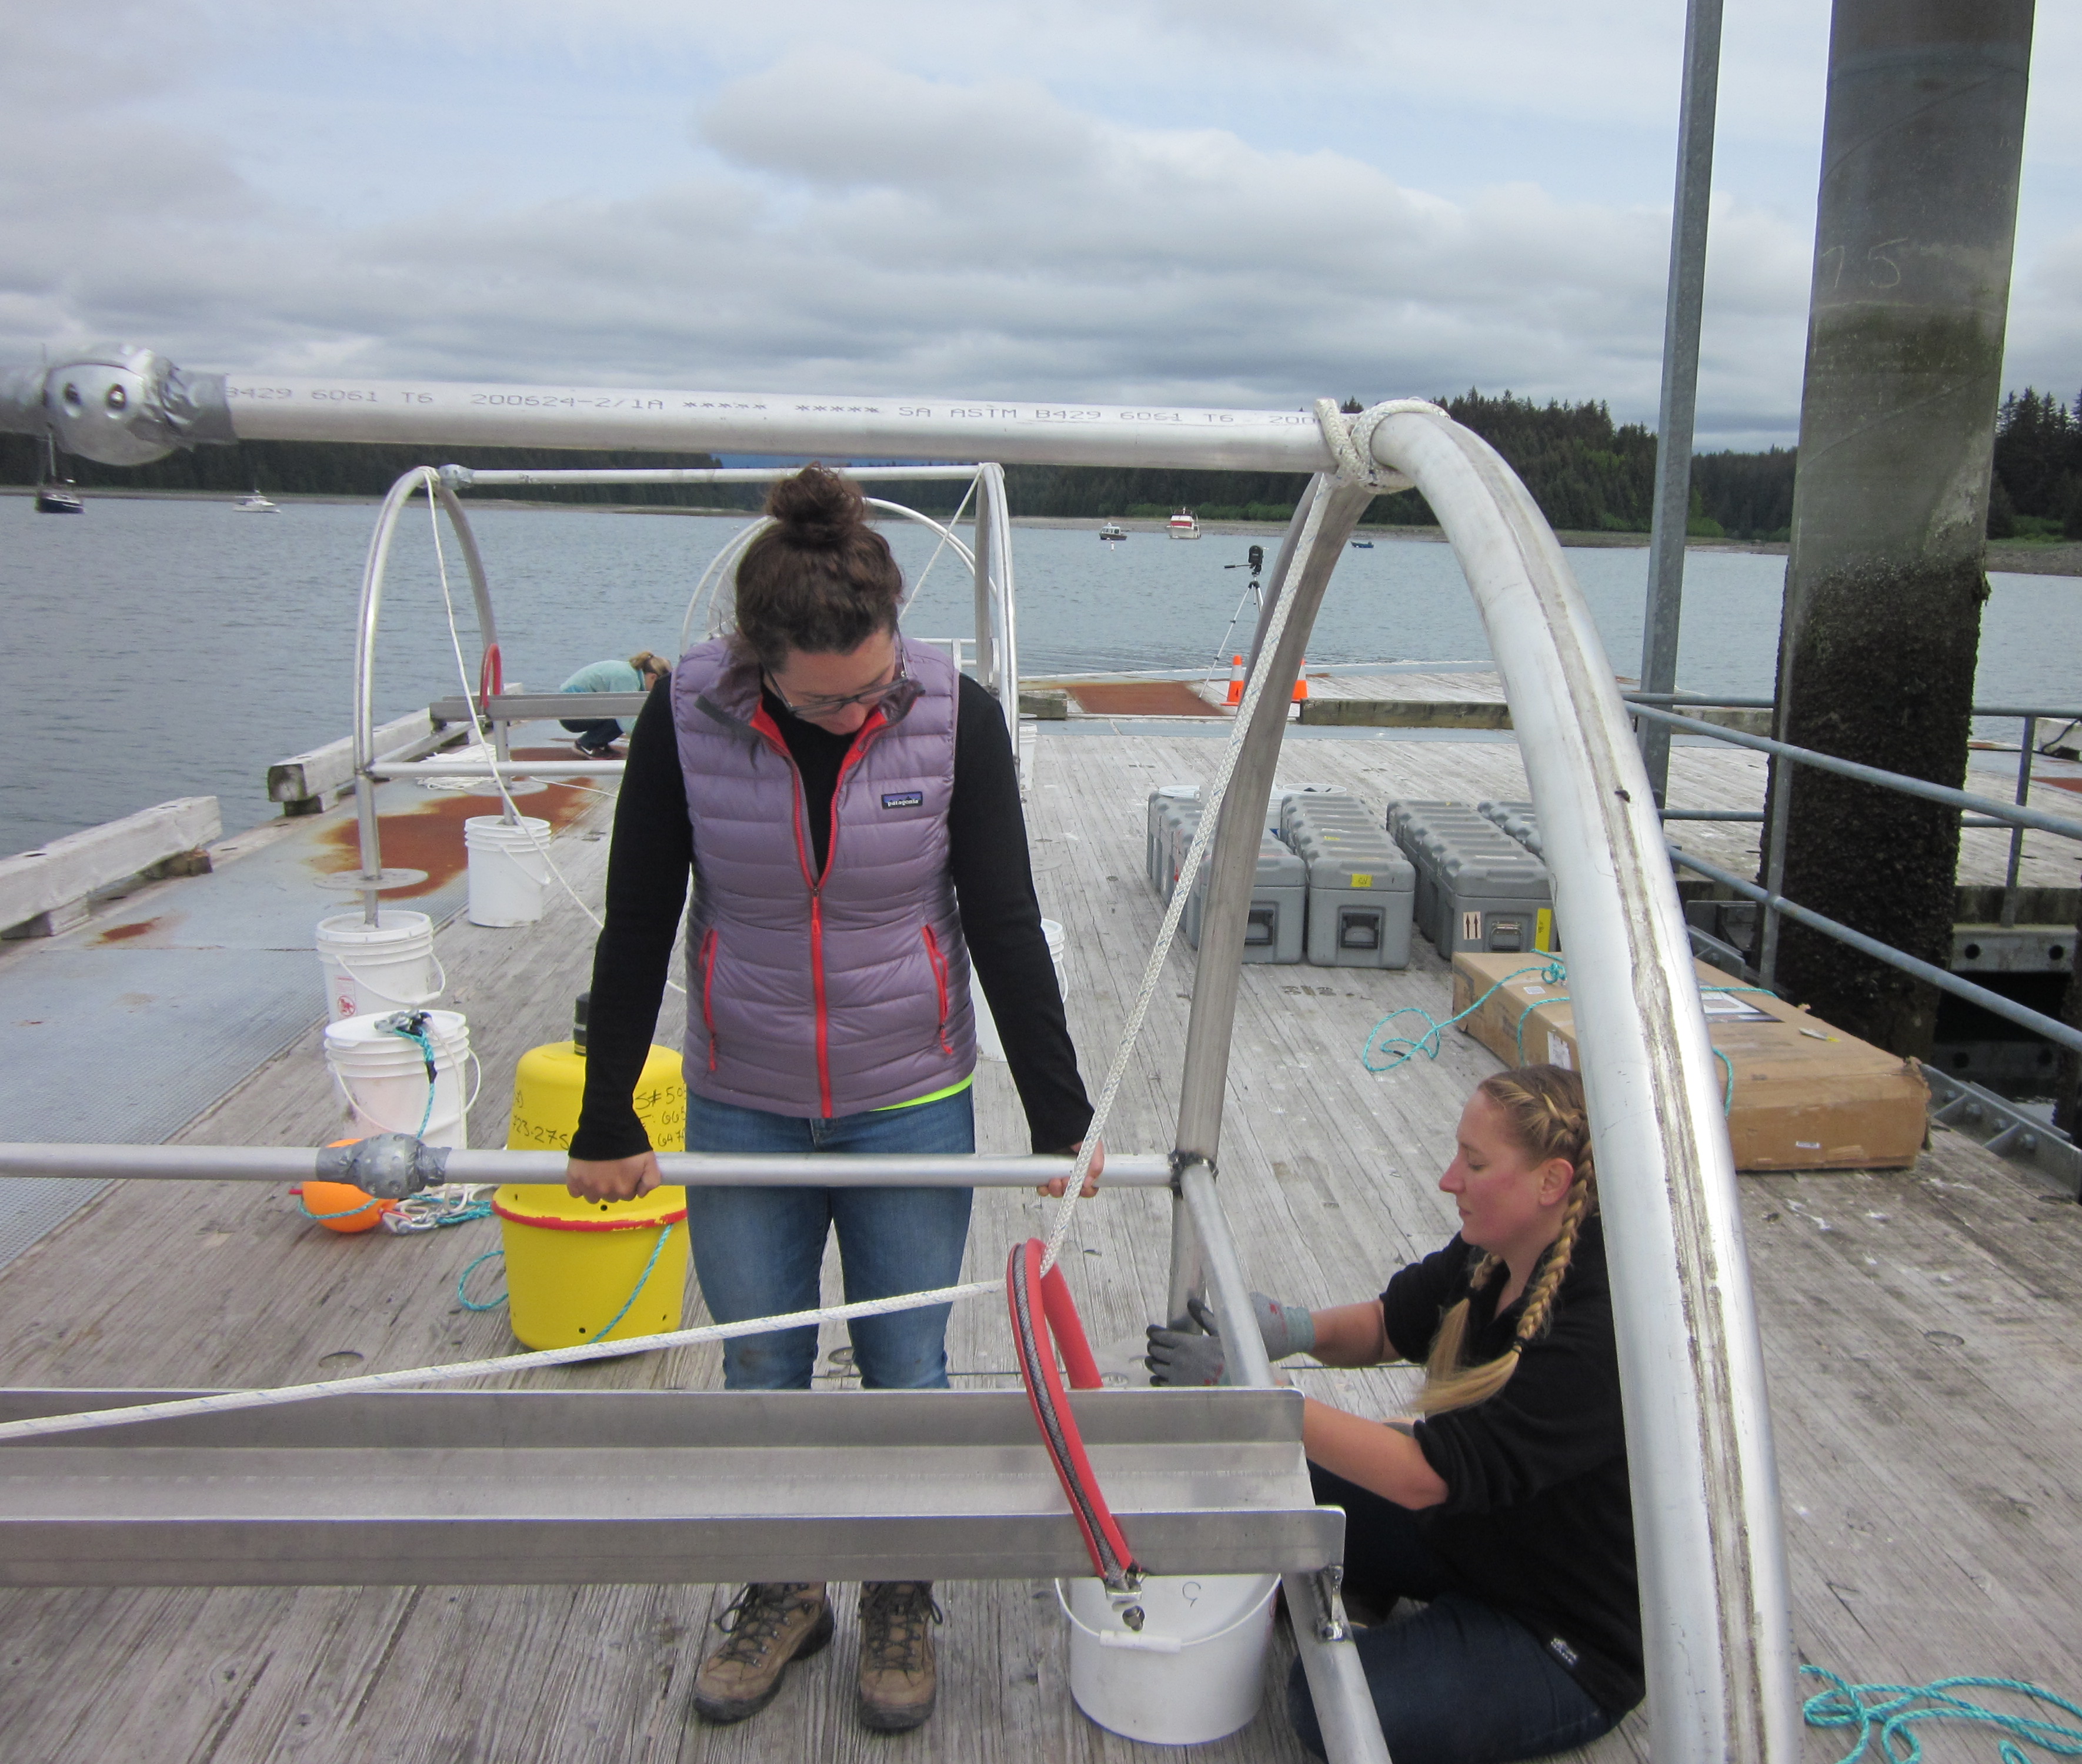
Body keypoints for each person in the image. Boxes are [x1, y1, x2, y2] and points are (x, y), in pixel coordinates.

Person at [564, 466, 1101, 1736]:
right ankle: (784, 1582)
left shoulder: (950, 716)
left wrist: (1060, 1114)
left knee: (908, 1365)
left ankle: (900, 1587)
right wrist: (605, 1114)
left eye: (876, 682)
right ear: (759, 666)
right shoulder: (684, 717)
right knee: (763, 1363)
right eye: (832, 698)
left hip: (905, 1092)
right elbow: (638, 917)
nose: (866, 705)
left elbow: (1004, 920)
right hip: (743, 1093)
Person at [1147, 1065, 1639, 1764]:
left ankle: (1380, 1592)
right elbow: (1387, 1325)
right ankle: (1375, 1584)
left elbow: (1422, 1476)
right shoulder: (1494, 1250)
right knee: (1264, 1482)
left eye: (1473, 1163)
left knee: (1325, 1705)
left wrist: (1248, 1391)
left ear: (1552, 1183)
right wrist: (1292, 1329)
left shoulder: (1597, 1330)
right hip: (1471, 1534)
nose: (1448, 1180)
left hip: (1560, 1631)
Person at [558, 650, 669, 756]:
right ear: (653, 677)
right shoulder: (627, 678)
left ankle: (599, 743)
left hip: (572, 705)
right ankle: (587, 744)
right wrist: (652, 745)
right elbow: (627, 723)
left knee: (623, 713)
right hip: (570, 713)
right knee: (622, 715)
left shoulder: (633, 673)